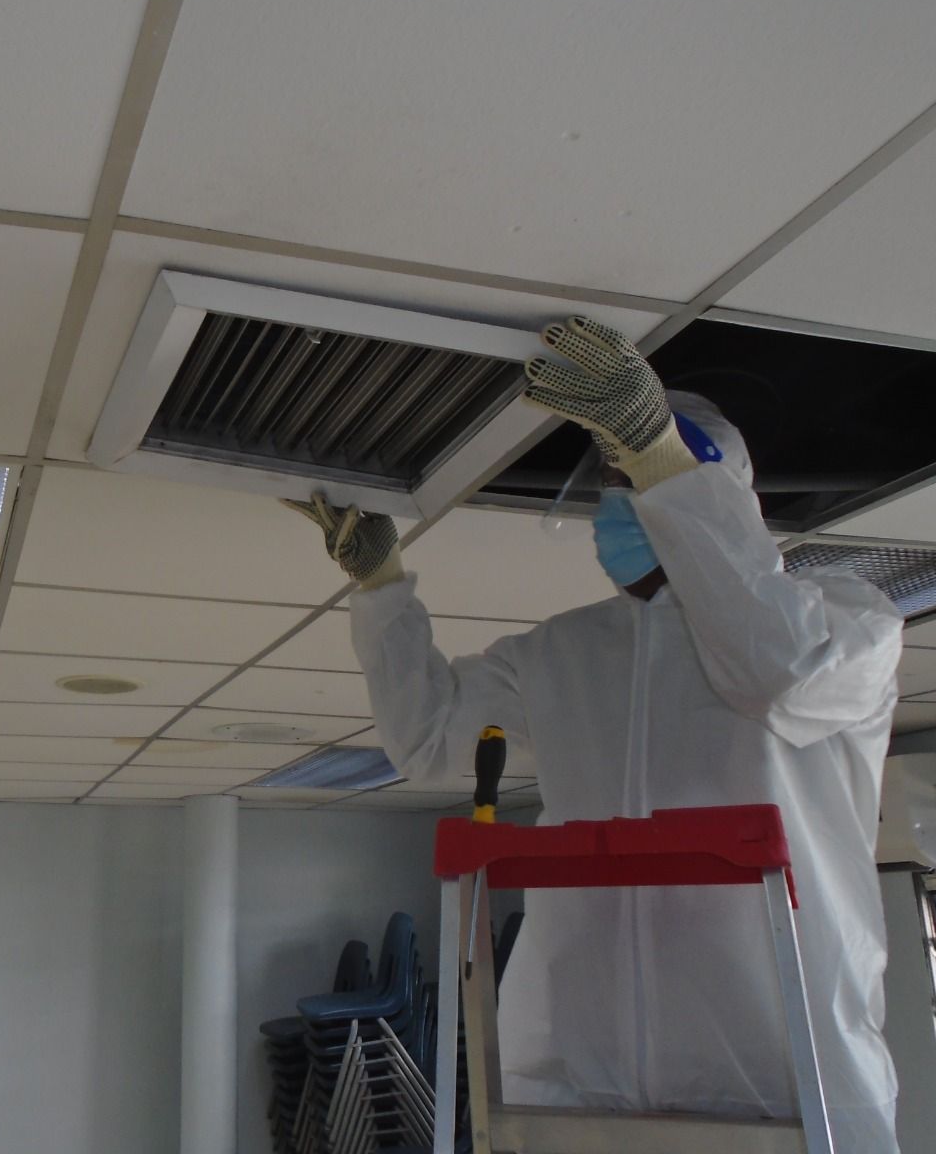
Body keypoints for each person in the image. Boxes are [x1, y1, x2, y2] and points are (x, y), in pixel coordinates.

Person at [286, 316, 903, 1151]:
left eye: (637, 473)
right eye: (615, 479)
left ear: (710, 490)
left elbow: (773, 672)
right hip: (588, 1089)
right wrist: (383, 593)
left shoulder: (844, 622)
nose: (617, 502)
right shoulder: (564, 654)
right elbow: (430, 741)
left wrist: (663, 461)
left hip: (790, 1089)